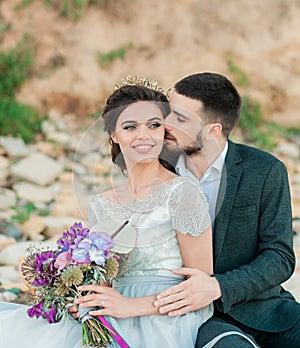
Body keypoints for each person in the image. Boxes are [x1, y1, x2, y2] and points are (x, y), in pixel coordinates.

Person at [0, 83, 214, 348]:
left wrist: (130, 306)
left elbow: (201, 287)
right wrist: (86, 301)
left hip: (165, 319)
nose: (144, 136)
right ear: (114, 134)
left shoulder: (184, 193)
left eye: (154, 125)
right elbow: (106, 281)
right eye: (130, 127)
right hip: (111, 312)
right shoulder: (102, 204)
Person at [154, 72, 300, 347]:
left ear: (213, 130)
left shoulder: (266, 171)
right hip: (201, 320)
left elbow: (279, 256)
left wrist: (218, 286)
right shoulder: (157, 170)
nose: (166, 124)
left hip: (266, 311)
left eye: (181, 119)